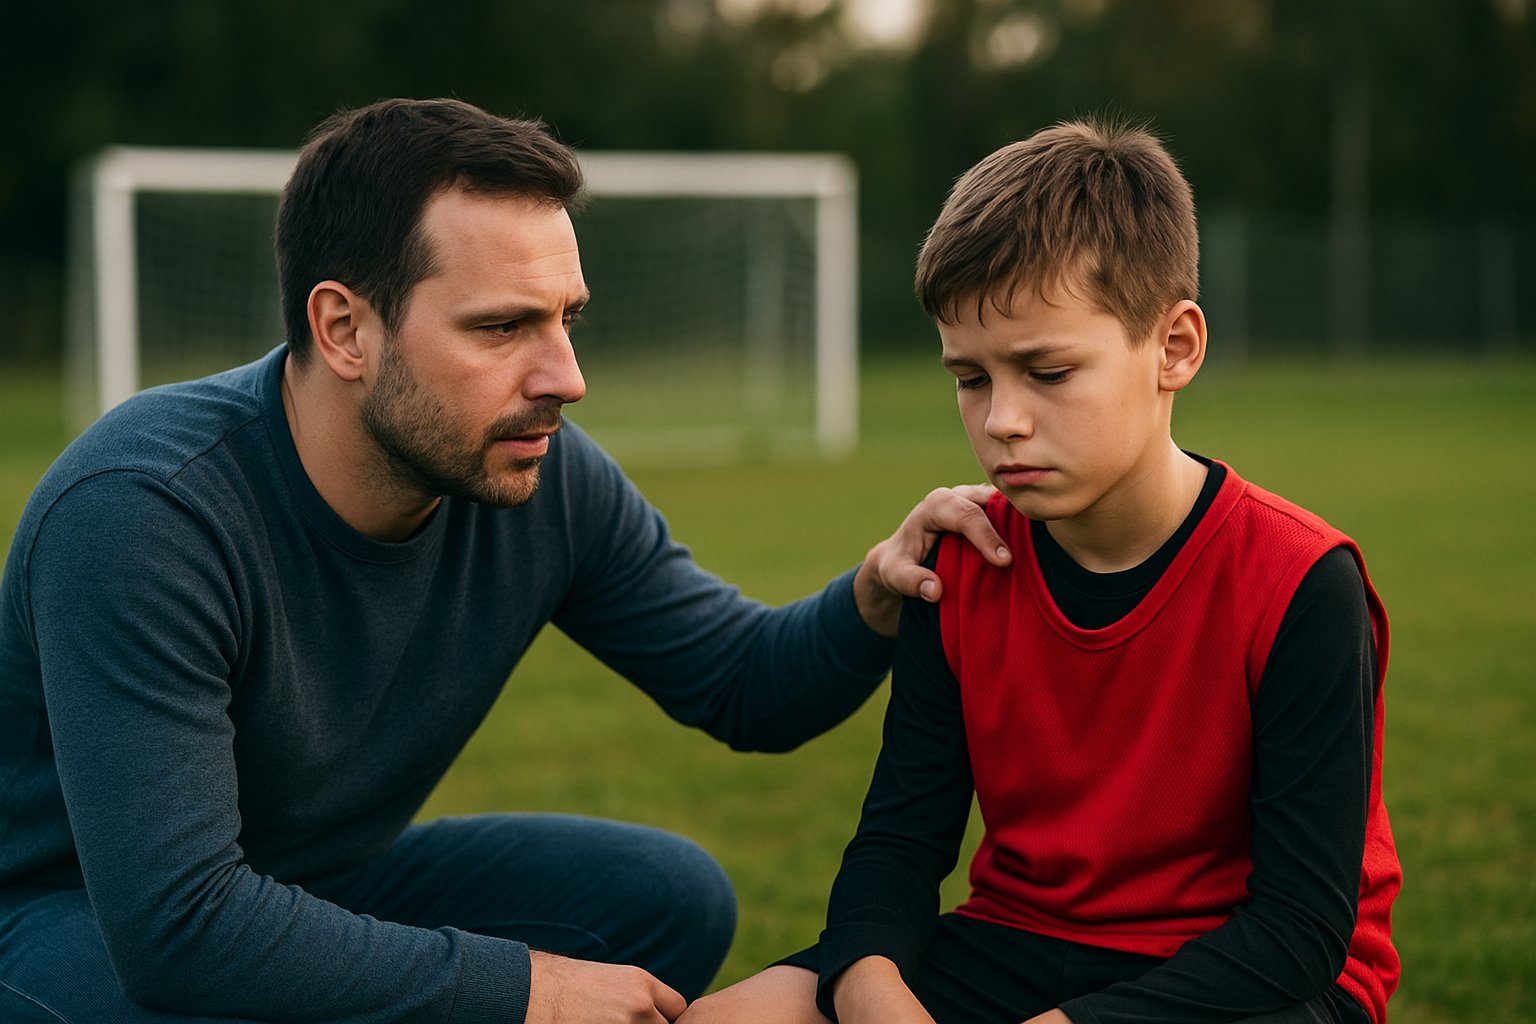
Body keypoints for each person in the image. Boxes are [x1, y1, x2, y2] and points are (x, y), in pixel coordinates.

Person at [0, 98, 1009, 1024]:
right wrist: (522, 986)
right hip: (65, 922)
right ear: (344, 328)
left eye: (565, 317)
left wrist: (880, 589)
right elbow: (177, 927)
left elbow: (748, 684)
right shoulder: (144, 510)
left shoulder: (537, 473)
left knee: (664, 896)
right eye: (503, 327)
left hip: (307, 884)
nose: (566, 376)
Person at [683, 120, 1402, 1024]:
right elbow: (900, 842)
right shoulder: (962, 556)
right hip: (1018, 941)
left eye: (1047, 371)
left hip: (1249, 979)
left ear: (1173, 348)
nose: (1002, 421)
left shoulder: (1301, 581)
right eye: (971, 379)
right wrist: (870, 987)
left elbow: (1301, 929)